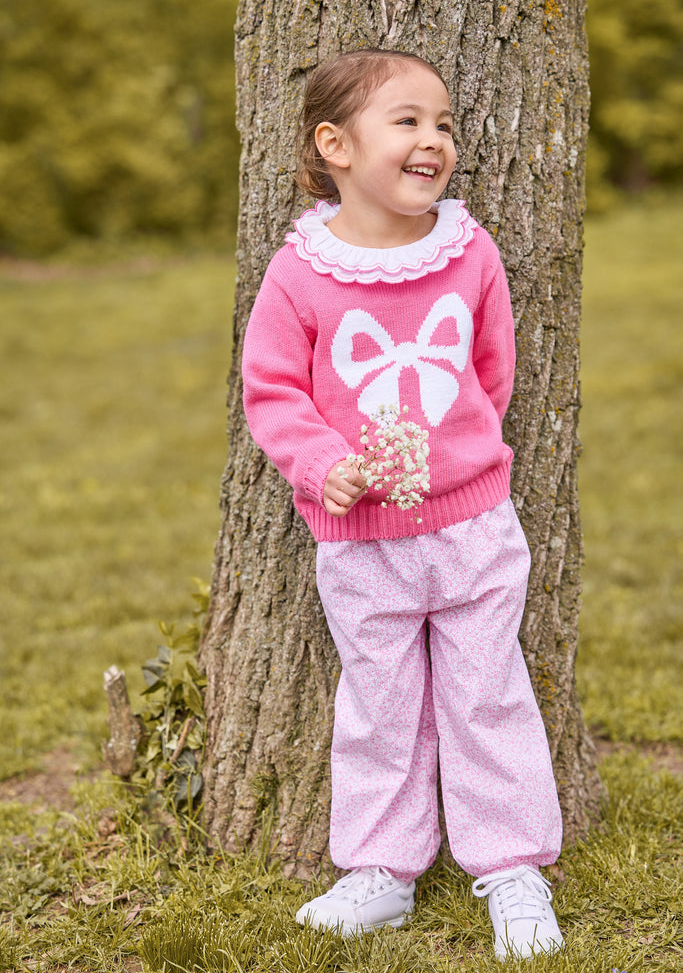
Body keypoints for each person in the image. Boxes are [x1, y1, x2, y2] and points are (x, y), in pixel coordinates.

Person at [241, 47, 565, 962]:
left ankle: (509, 866)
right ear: (335, 145)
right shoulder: (301, 272)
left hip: (471, 529)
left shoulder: (467, 253)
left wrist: (456, 460)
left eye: (444, 124)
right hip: (358, 541)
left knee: (486, 695)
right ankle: (381, 871)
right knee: (378, 706)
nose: (434, 141)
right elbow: (272, 391)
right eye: (408, 121)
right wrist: (321, 463)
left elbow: (488, 372)